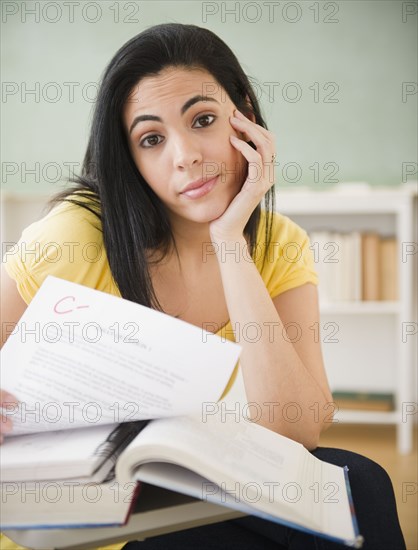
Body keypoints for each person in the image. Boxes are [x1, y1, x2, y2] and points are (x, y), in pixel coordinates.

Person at [0, 23, 405, 550]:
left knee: (363, 485)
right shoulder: (76, 234)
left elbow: (298, 430)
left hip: (193, 484)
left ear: (246, 119)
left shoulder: (279, 243)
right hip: (83, 509)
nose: (185, 154)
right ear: (132, 160)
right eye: (151, 139)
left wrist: (230, 241)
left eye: (204, 120)